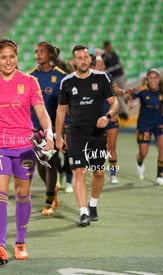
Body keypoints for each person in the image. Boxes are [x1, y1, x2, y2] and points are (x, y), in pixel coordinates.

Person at [0, 38, 53, 263]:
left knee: (22, 194)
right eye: (3, 57)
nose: (8, 61)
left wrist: (49, 135)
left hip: (24, 147)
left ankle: (20, 241)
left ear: (17, 57)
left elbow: (41, 111)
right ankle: (0, 246)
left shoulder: (29, 81)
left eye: (12, 56)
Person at [55, 45, 119, 227]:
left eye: (86, 57)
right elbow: (61, 111)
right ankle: (83, 212)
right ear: (74, 61)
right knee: (78, 172)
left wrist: (107, 117)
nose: (83, 61)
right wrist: (58, 137)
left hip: (97, 133)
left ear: (90, 59)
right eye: (79, 58)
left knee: (98, 172)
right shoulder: (66, 82)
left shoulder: (101, 78)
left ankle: (93, 204)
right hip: (75, 132)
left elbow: (114, 103)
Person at [125, 68, 163, 186]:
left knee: (162, 147)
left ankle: (160, 176)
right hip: (144, 124)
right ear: (147, 79)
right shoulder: (142, 90)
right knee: (143, 152)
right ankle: (140, 162)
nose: (153, 80)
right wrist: (130, 103)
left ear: (159, 79)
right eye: (150, 78)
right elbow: (127, 98)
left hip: (159, 123)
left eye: (155, 77)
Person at [28, 41, 66, 216]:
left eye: (42, 51)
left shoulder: (60, 76)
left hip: (51, 128)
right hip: (33, 129)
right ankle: (53, 190)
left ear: (50, 55)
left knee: (50, 164)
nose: (38, 54)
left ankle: (49, 202)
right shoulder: (30, 76)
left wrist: (61, 132)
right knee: (40, 167)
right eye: (36, 51)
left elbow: (64, 107)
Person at [91, 49, 124, 185]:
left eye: (104, 65)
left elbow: (117, 91)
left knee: (111, 146)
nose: (103, 67)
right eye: (101, 65)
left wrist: (127, 93)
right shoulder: (91, 77)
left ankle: (112, 174)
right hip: (96, 118)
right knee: (98, 147)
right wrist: (98, 55)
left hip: (111, 116)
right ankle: (98, 171)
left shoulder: (108, 76)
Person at [102, 40, 128, 120]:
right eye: (109, 46)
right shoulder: (103, 57)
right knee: (117, 94)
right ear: (106, 47)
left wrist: (123, 73)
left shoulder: (114, 54)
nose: (111, 48)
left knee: (123, 93)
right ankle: (122, 112)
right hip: (112, 78)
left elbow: (119, 63)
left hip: (119, 75)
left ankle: (125, 109)